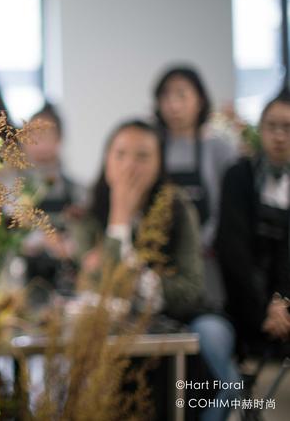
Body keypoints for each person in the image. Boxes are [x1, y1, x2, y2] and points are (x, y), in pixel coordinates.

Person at [75, 120, 239, 421]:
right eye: (120, 154)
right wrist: (119, 218)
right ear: (106, 160)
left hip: (186, 318)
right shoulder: (88, 215)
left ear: (159, 163)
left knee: (220, 365)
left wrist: (135, 278)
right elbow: (98, 288)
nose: (130, 167)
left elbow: (190, 289)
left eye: (143, 156)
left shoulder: (177, 207)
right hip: (116, 329)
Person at [153, 66, 239, 311]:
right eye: (166, 96)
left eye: (181, 95)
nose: (173, 105)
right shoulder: (153, 146)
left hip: (208, 260)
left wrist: (195, 246)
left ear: (200, 100)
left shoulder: (220, 148)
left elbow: (227, 210)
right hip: (163, 261)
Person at [217, 89, 290, 351]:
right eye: (272, 126)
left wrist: (283, 303)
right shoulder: (239, 176)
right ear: (260, 129)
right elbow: (232, 248)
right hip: (245, 304)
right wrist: (265, 309)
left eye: (287, 127)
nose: (279, 136)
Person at [19, 104, 83, 293]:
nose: (38, 143)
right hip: (22, 279)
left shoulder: (77, 190)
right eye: (32, 136)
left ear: (59, 140)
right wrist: (42, 239)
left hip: (65, 281)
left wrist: (67, 244)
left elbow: (84, 236)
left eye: (45, 136)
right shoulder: (11, 189)